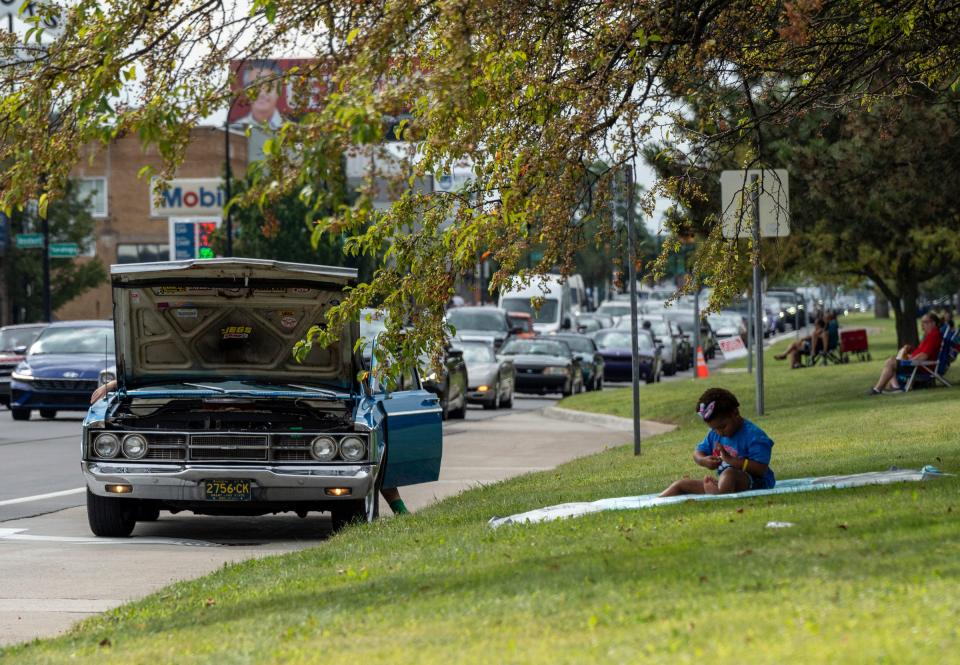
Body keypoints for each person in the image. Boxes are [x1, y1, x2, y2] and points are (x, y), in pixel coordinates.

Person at [88, 380, 410, 515]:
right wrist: (117, 385)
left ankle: (399, 510)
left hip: (307, 406)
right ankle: (400, 510)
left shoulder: (353, 397)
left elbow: (367, 468)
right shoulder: (156, 380)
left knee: (360, 455)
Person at [659, 388, 775, 496]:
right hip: (723, 483)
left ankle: (718, 493)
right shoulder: (714, 434)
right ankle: (655, 503)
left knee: (730, 474)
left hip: (755, 483)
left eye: (723, 427)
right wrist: (703, 460)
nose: (719, 433)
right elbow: (698, 452)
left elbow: (761, 469)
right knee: (681, 484)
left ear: (735, 413)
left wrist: (731, 460)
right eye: (714, 429)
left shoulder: (755, 436)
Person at [869, 312, 942, 395]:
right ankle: (893, 387)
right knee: (891, 361)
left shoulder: (934, 336)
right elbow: (922, 352)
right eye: (922, 322)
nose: (922, 325)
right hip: (918, 365)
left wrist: (908, 361)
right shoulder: (929, 335)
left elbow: (924, 356)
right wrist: (910, 351)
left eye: (925, 322)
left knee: (890, 362)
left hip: (920, 367)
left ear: (933, 323)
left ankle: (879, 389)